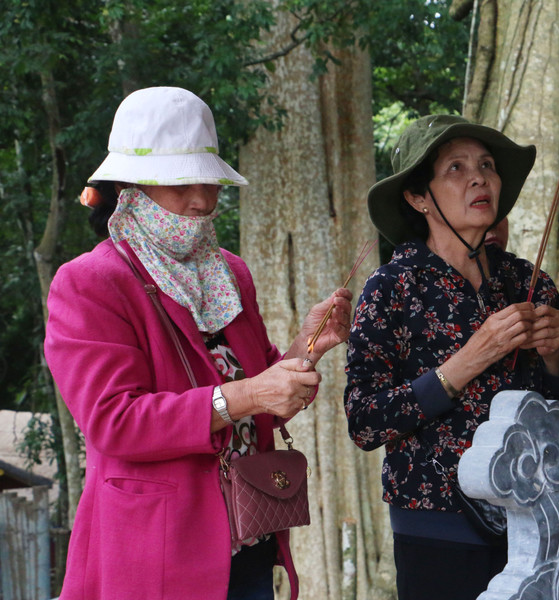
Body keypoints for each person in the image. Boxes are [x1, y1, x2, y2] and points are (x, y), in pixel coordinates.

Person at [44, 87, 352, 600]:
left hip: (248, 535)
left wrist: (309, 344)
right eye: (180, 182)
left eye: (208, 181)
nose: (201, 200)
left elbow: (263, 401)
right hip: (156, 554)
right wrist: (252, 395)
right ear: (130, 185)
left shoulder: (228, 271)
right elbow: (115, 421)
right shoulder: (89, 283)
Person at [344, 115, 559, 600]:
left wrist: (556, 359)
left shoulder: (529, 283)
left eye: (487, 166)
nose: (479, 178)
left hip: (534, 514)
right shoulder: (391, 287)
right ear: (418, 197)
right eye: (456, 168)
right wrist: (469, 360)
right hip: (435, 527)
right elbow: (365, 421)